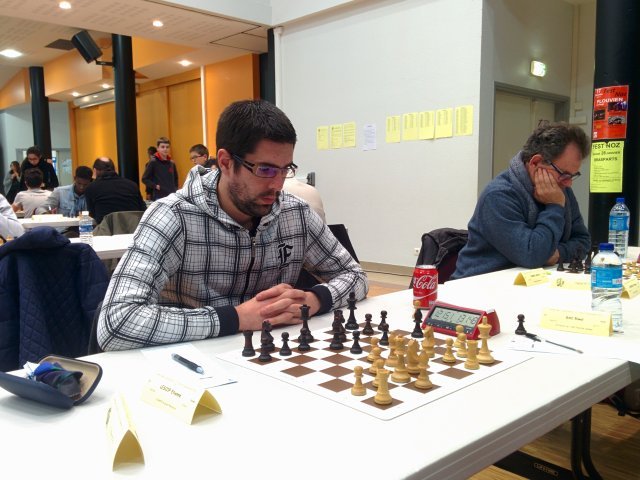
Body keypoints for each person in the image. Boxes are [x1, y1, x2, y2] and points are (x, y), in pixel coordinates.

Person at [98, 99, 368, 351]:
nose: (277, 185)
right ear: (226, 162)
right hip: (193, 364)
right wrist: (236, 318)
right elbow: (116, 322)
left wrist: (313, 300)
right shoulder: (172, 216)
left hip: (272, 356)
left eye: (285, 169)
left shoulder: (296, 213)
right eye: (265, 170)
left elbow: (355, 276)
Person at [452, 122, 591, 279]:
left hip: (532, 283)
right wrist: (554, 206)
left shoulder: (562, 190)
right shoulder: (498, 196)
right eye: (564, 174)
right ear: (535, 162)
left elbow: (583, 241)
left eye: (572, 176)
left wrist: (558, 253)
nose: (569, 183)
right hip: (479, 285)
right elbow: (533, 255)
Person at [84, 157, 147, 225]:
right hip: (132, 228)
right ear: (115, 170)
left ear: (95, 171)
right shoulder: (132, 185)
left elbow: (92, 213)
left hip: (106, 229)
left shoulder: (91, 188)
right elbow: (143, 209)